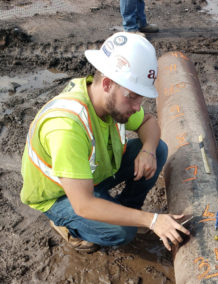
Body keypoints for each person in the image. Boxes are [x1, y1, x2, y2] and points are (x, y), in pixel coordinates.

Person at [20, 32, 189, 253]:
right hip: (61, 194)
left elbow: (149, 122)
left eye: (141, 98)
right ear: (108, 83)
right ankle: (69, 227)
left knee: (157, 148)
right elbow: (84, 204)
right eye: (132, 96)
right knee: (121, 232)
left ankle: (126, 211)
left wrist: (147, 150)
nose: (138, 106)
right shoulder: (67, 128)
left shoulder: (106, 101)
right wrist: (153, 220)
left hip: (90, 175)